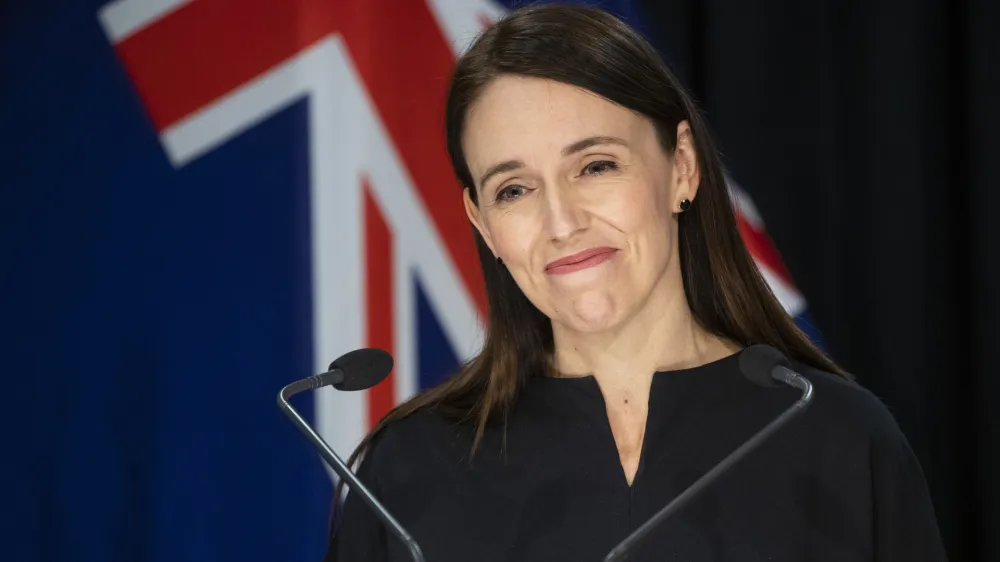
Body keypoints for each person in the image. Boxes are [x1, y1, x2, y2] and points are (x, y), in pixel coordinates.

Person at [324, 4, 948, 561]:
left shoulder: (839, 437)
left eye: (595, 166)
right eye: (514, 189)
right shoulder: (408, 468)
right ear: (482, 223)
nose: (561, 222)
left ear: (680, 166)